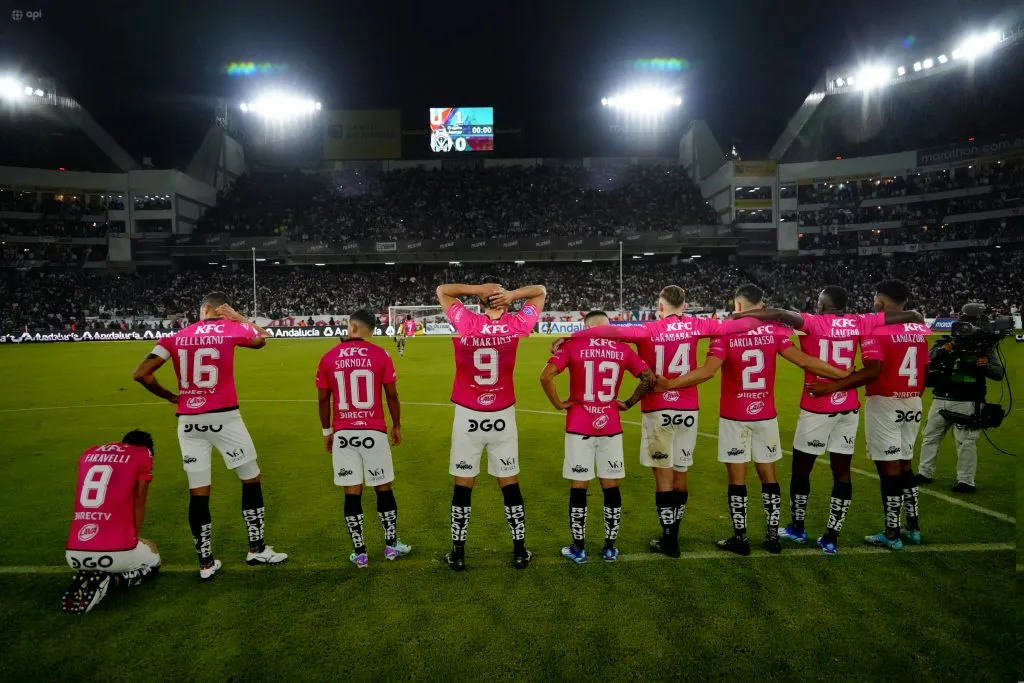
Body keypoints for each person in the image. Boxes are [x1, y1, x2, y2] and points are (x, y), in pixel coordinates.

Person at [563, 285, 775, 556]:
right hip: (688, 410)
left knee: (663, 476)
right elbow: (734, 327)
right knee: (681, 471)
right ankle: (675, 532)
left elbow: (612, 331)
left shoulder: (647, 329)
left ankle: (668, 540)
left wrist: (573, 335)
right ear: (685, 306)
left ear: (659, 307)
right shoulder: (698, 325)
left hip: (657, 409)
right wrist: (756, 315)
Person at [656, 284, 847, 555]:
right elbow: (804, 361)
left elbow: (708, 371)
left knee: (737, 478)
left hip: (734, 415)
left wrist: (671, 384)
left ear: (738, 306)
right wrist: (842, 376)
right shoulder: (775, 330)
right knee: (768, 475)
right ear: (762, 303)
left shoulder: (725, 333)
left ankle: (741, 538)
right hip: (765, 414)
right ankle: (772, 537)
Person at [734, 286, 922, 555]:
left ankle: (798, 527)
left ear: (822, 305)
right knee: (842, 472)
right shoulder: (860, 322)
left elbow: (777, 313)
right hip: (848, 408)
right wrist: (913, 314)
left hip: (816, 406)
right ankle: (832, 536)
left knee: (801, 469)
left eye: (819, 301)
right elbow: (898, 317)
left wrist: (740, 317)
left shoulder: (813, 321)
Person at [132, 292, 287, 581]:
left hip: (189, 421)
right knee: (250, 478)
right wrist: (239, 317)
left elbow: (141, 374)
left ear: (203, 309)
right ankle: (256, 549)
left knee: (198, 491)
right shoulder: (229, 329)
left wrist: (171, 397)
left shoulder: (177, 336)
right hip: (224, 416)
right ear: (221, 309)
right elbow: (263, 338)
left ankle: (205, 563)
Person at [808, 280, 930, 550]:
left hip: (885, 402)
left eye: (876, 298)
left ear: (881, 302)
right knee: (906, 463)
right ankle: (914, 527)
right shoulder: (919, 328)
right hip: (912, 401)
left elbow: (873, 370)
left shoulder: (877, 327)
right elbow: (925, 369)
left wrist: (833, 386)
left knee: (888, 468)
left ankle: (892, 533)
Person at [437, 278, 546, 571]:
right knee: (509, 481)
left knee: (463, 483)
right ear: (502, 301)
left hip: (468, 414)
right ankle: (520, 551)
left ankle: (458, 554)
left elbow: (443, 291)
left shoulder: (467, 322)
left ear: (481, 301)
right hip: (502, 414)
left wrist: (475, 290)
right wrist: (512, 296)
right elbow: (540, 293)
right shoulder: (515, 325)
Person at [540, 310, 655, 563]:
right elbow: (648, 377)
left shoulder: (573, 345)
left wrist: (559, 403)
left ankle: (579, 549)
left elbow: (546, 376)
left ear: (586, 326)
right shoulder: (621, 349)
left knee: (579, 486)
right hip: (611, 425)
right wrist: (629, 402)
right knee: (611, 486)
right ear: (607, 326)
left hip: (579, 425)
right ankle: (610, 548)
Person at [317, 310, 410, 568]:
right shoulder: (381, 355)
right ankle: (391, 546)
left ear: (351, 327)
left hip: (344, 433)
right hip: (374, 431)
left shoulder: (328, 357)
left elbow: (324, 399)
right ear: (372, 329)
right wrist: (397, 425)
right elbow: (392, 394)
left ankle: (360, 553)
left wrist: (327, 432)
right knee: (383, 487)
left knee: (352, 492)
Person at [63, 430, 161, 613]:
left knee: (112, 547)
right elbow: (140, 500)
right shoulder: (142, 454)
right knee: (153, 558)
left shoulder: (89, 452)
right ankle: (113, 581)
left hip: (74, 555)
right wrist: (134, 537)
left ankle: (90, 575)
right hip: (117, 553)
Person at [916, 303, 1004, 493]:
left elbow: (998, 373)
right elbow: (927, 362)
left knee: (965, 442)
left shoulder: (983, 348)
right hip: (941, 399)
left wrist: (985, 365)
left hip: (968, 402)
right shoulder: (945, 343)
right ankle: (924, 472)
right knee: (931, 437)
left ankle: (965, 481)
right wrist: (942, 352)